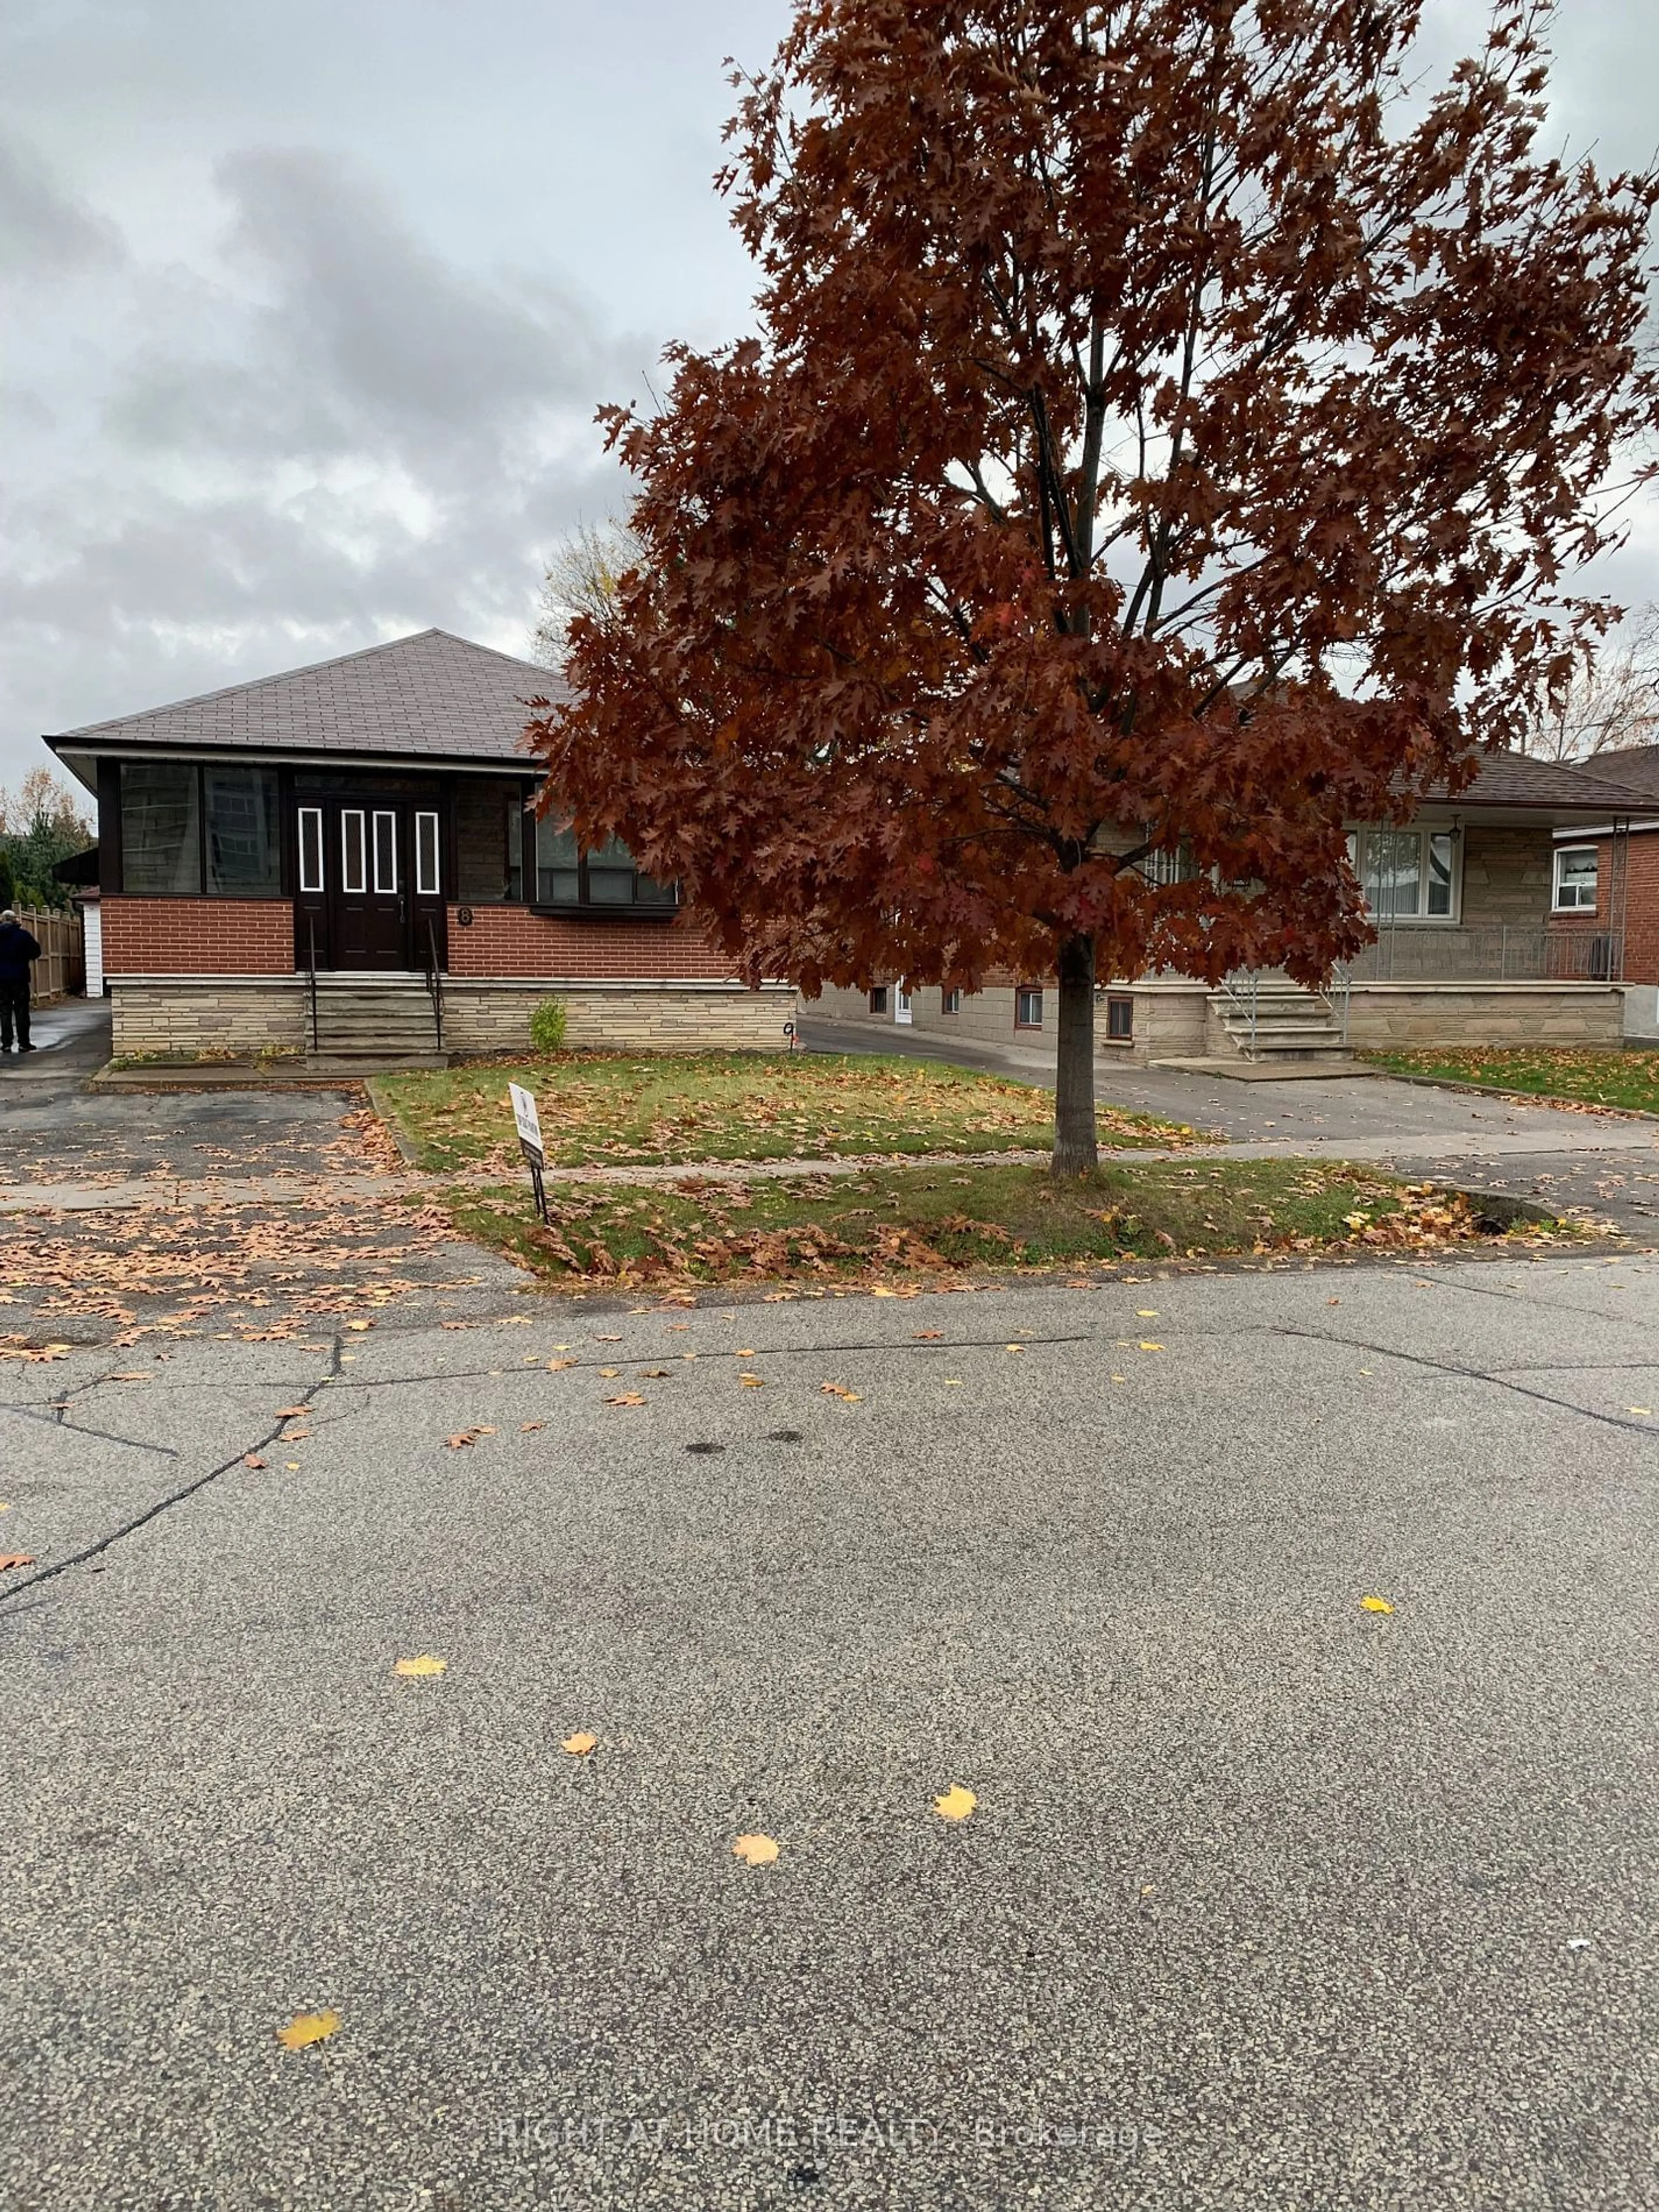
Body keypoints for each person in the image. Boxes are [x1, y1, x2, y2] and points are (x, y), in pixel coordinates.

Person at [0, 909, 42, 1054]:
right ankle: (24, 1043)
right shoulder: (23, 936)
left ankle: (6, 1043)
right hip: (20, 977)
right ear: (15, 920)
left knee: (5, 1010)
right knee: (22, 1010)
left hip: (1, 979)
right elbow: (36, 952)